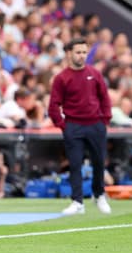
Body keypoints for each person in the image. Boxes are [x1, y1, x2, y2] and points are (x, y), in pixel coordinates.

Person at [48, 37, 112, 215]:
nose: (82, 56)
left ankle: (99, 195)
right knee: (75, 164)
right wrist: (62, 125)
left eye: (84, 52)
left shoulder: (95, 73)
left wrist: (105, 120)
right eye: (78, 52)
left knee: (99, 162)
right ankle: (77, 201)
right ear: (69, 54)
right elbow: (54, 105)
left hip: (95, 125)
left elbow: (104, 97)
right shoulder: (61, 78)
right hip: (73, 126)